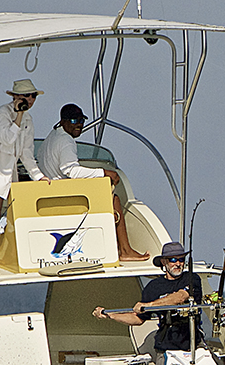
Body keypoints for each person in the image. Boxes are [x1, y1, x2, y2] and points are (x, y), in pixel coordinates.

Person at [37, 103, 148, 262]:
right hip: (60, 197)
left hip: (51, 193)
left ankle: (118, 246)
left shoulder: (52, 136)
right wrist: (105, 173)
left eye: (81, 120)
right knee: (114, 199)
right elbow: (71, 171)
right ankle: (125, 250)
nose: (79, 124)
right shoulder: (66, 141)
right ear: (63, 122)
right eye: (74, 121)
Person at [92, 241, 208, 365]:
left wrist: (149, 305)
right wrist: (110, 315)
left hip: (194, 345)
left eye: (181, 259)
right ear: (164, 262)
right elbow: (138, 318)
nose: (178, 263)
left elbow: (180, 297)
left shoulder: (192, 279)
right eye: (173, 260)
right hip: (166, 347)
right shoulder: (153, 287)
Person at [0, 79, 45, 275]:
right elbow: (6, 140)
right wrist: (18, 117)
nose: (29, 100)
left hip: (5, 172)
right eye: (25, 96)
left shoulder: (28, 120)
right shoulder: (3, 114)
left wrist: (38, 176)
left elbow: (26, 152)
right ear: (15, 97)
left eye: (32, 96)